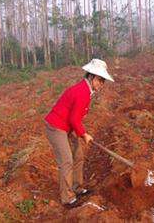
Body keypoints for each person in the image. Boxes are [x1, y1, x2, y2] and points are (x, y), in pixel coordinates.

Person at [44, 59, 114, 208]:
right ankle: (67, 198)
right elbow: (74, 119)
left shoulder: (86, 90)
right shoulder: (82, 91)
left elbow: (74, 118)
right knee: (67, 160)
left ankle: (77, 187)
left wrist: (80, 133)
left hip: (67, 126)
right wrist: (84, 134)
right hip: (56, 127)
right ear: (91, 77)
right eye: (100, 80)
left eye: (103, 81)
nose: (101, 84)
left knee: (78, 156)